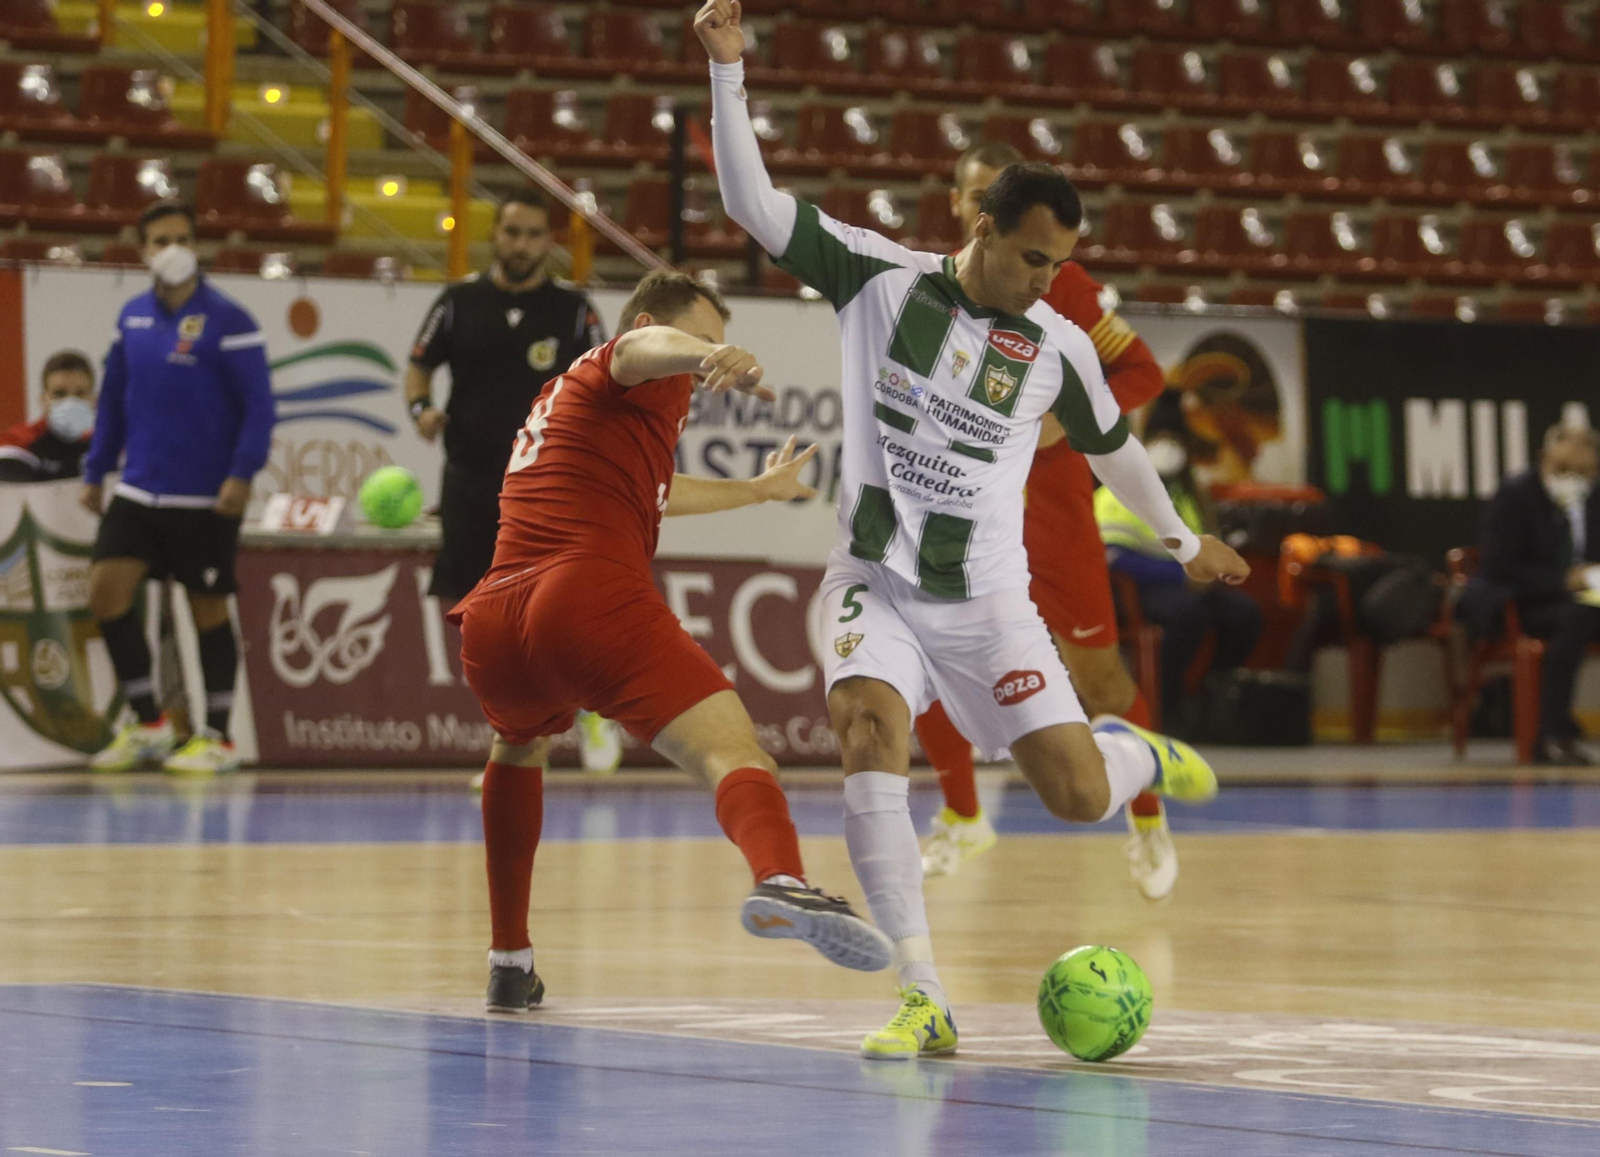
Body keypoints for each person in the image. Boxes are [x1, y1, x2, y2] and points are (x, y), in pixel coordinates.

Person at [697, 0, 1249, 1060]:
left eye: (1060, 265)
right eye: (1035, 258)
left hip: (991, 602)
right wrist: (729, 75)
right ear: (981, 226)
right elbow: (752, 203)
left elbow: (1113, 447)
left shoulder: (1056, 343)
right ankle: (922, 991)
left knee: (1078, 794)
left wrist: (1182, 538)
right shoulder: (877, 278)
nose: (1049, 283)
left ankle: (1136, 753)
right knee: (864, 727)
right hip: (874, 577)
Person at [449, 268, 894, 1013]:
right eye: (701, 338)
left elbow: (660, 493)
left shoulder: (572, 408)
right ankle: (782, 879)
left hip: (496, 623)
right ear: (661, 326)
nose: (706, 359)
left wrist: (756, 490)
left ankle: (509, 959)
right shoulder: (621, 361)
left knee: (518, 748)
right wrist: (708, 353)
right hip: (584, 593)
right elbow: (638, 346)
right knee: (736, 753)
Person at [914, 140, 1176, 899]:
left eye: (985, 192)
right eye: (967, 194)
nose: (973, 204)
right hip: (962, 515)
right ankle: (963, 815)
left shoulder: (1061, 285)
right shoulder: (929, 287)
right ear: (965, 208)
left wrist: (1066, 419)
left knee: (1098, 677)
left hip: (1052, 517)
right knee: (925, 660)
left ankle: (1150, 819)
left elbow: (1143, 371)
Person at [405, 189, 623, 773]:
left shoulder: (574, 310)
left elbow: (608, 382)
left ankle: (591, 708)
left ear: (548, 243)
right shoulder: (458, 301)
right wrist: (420, 409)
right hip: (471, 479)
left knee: (558, 604)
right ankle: (514, 739)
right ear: (495, 237)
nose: (520, 244)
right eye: (511, 233)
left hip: (548, 483)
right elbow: (419, 364)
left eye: (532, 235)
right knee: (475, 610)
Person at [80, 200, 276, 776]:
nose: (172, 249)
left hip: (206, 496)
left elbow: (260, 406)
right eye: (160, 239)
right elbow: (113, 400)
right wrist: (96, 470)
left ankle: (216, 736)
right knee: (105, 593)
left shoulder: (231, 320)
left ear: (197, 244)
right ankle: (148, 723)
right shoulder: (133, 317)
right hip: (140, 490)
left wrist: (242, 474)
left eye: (182, 238)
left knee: (207, 609)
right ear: (143, 250)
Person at [1096, 398, 1264, 736]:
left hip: (1186, 585)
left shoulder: (1185, 497)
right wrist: (1180, 575)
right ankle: (1168, 707)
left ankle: (1208, 699)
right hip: (1137, 588)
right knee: (1189, 616)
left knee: (1244, 615)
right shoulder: (1117, 493)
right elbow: (1112, 557)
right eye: (1162, 436)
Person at [1481, 423, 1600, 765]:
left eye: (1583, 471)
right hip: (1529, 601)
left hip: (1589, 599)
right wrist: (1562, 581)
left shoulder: (1595, 499)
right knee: (1575, 619)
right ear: (1545, 460)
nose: (1574, 478)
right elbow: (1498, 567)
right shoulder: (1517, 495)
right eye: (1565, 469)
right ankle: (1552, 735)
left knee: (1583, 613)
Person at [0, 351, 97, 483]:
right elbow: (15, 494)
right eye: (59, 394)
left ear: (94, 400)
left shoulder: (109, 445)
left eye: (80, 394)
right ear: (43, 400)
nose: (70, 402)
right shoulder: (18, 441)